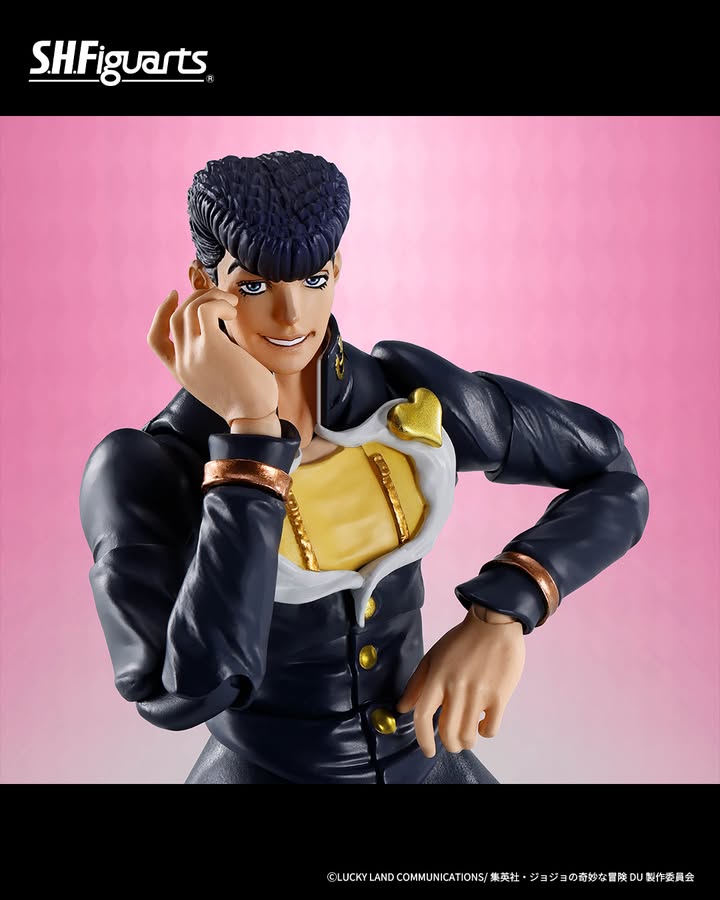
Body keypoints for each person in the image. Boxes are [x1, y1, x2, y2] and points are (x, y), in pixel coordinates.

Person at [79, 150, 649, 784]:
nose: (291, 315)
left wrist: (505, 609)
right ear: (203, 285)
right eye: (254, 285)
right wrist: (251, 435)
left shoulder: (402, 393)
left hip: (427, 760)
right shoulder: (142, 468)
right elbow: (185, 692)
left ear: (337, 269)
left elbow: (612, 470)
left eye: (313, 279)